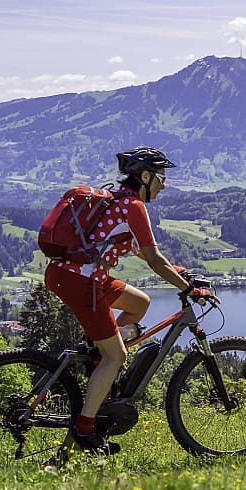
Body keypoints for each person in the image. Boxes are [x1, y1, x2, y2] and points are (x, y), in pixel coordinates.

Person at [43, 146, 213, 455]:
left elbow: (140, 250)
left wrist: (182, 274)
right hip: (83, 281)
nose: (164, 185)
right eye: (161, 178)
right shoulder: (133, 206)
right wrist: (187, 290)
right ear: (145, 176)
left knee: (140, 303)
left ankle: (98, 355)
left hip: (74, 274)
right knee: (116, 356)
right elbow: (153, 258)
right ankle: (85, 429)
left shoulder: (118, 201)